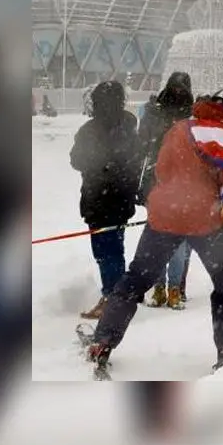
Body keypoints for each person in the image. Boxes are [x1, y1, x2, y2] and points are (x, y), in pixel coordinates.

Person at [85, 89, 223, 371]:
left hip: (164, 219)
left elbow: (162, 170)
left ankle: (103, 340)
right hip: (205, 224)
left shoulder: (181, 127)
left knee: (135, 281)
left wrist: (172, 202)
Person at [70, 81, 142, 319]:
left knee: (104, 251)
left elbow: (76, 160)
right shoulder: (130, 129)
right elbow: (136, 162)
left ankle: (113, 298)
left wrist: (100, 168)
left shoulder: (90, 130)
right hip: (121, 200)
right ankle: (117, 296)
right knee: (115, 249)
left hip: (98, 199)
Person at [137, 71, 195, 308]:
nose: (178, 93)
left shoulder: (158, 112)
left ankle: (169, 288)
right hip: (172, 181)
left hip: (171, 181)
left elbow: (142, 144)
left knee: (167, 237)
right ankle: (167, 288)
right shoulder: (190, 117)